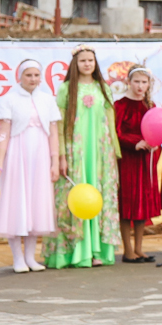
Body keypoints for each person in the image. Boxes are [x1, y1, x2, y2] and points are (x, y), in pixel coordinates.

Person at [43, 44, 121, 269]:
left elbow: (110, 121)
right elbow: (60, 124)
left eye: (91, 60)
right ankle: (74, 252)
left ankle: (97, 250)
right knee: (76, 196)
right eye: (83, 61)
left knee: (98, 195)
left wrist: (113, 153)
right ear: (75, 65)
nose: (87, 64)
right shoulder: (67, 88)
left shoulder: (103, 87)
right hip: (76, 150)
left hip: (99, 152)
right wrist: (62, 155)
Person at [0, 59, 61, 273]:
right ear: (20, 77)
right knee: (16, 204)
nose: (33, 79)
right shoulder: (9, 100)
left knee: (35, 205)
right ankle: (17, 258)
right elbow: (3, 134)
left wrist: (55, 161)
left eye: (36, 75)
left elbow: (54, 133)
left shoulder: (47, 100)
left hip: (39, 157)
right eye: (28, 75)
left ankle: (31, 257)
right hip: (16, 156)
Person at [114, 66, 160, 264]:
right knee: (128, 204)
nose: (140, 86)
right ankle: (128, 250)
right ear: (128, 82)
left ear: (149, 84)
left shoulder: (150, 106)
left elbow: (157, 127)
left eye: (144, 82)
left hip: (144, 162)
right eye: (137, 82)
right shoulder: (120, 105)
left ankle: (140, 248)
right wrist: (135, 143)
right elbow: (116, 133)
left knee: (142, 204)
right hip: (127, 161)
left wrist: (155, 142)